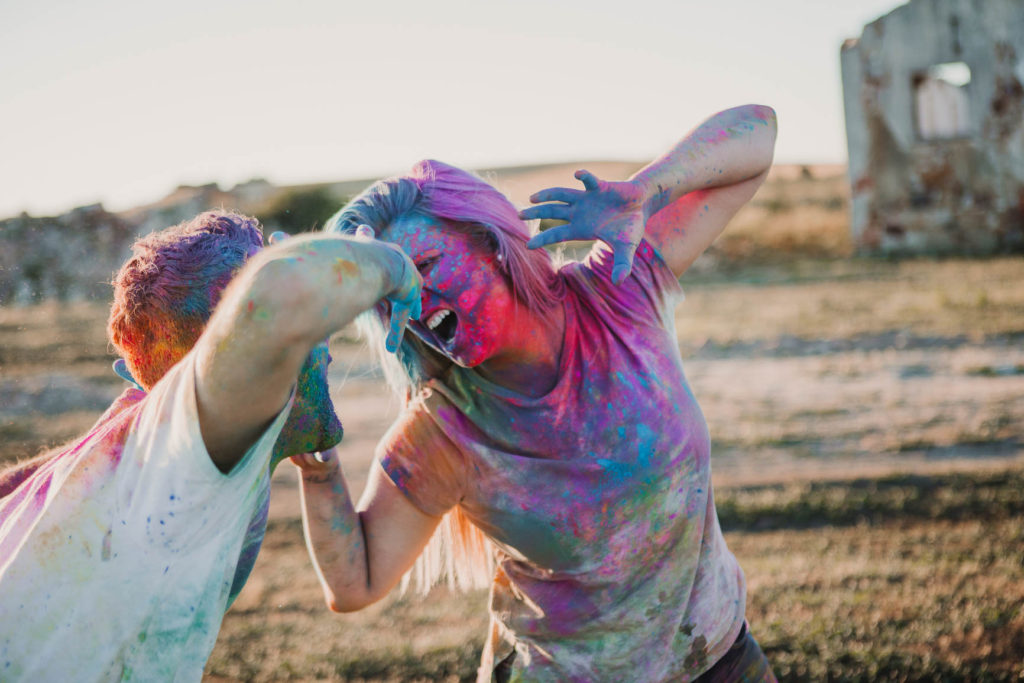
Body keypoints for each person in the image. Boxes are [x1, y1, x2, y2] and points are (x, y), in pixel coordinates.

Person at [294, 104, 779, 681]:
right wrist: (315, 459)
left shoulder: (618, 292)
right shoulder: (445, 430)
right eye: (392, 295)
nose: (415, 303)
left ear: (490, 242)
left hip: (720, 656)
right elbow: (356, 584)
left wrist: (644, 192)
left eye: (424, 265)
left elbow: (758, 136)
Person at [0, 211, 421, 680]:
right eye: (307, 325)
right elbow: (282, 286)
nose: (323, 338)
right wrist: (394, 267)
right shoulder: (198, 444)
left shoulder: (145, 435)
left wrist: (318, 469)